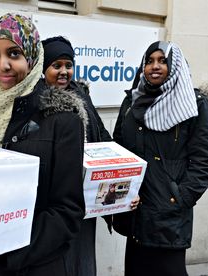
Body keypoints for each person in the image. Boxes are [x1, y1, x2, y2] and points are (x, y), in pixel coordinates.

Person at [0, 13, 86, 276]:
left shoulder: (63, 119)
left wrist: (7, 249)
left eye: (14, 54)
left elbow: (67, 212)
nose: (2, 65)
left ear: (32, 57)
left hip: (31, 265)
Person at [113, 41, 208, 276]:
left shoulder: (194, 105)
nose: (155, 66)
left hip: (167, 216)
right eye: (149, 61)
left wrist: (179, 197)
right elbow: (120, 147)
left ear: (175, 66)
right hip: (134, 213)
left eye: (163, 61)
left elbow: (205, 160)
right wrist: (121, 191)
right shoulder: (132, 102)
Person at [41, 36, 140, 276]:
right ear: (43, 69)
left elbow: (103, 137)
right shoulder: (36, 100)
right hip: (52, 202)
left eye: (69, 65)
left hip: (86, 199)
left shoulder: (81, 94)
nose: (64, 71)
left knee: (82, 261)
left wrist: (127, 184)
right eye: (57, 66)